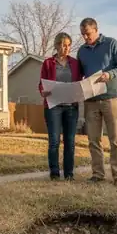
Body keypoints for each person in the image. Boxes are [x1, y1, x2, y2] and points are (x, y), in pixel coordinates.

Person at [77, 17, 117, 186]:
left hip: (110, 97)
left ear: (96, 29)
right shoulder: (82, 51)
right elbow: (80, 74)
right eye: (83, 35)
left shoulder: (111, 44)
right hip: (91, 99)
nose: (85, 37)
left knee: (115, 138)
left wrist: (110, 74)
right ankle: (98, 173)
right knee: (93, 139)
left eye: (88, 34)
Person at [38, 32, 83, 181]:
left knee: (70, 142)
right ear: (57, 46)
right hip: (53, 107)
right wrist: (43, 91)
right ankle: (55, 173)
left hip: (71, 107)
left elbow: (80, 82)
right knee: (54, 141)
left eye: (69, 45)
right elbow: (41, 84)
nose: (66, 48)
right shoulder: (48, 63)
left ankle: (69, 174)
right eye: (63, 45)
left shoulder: (75, 63)